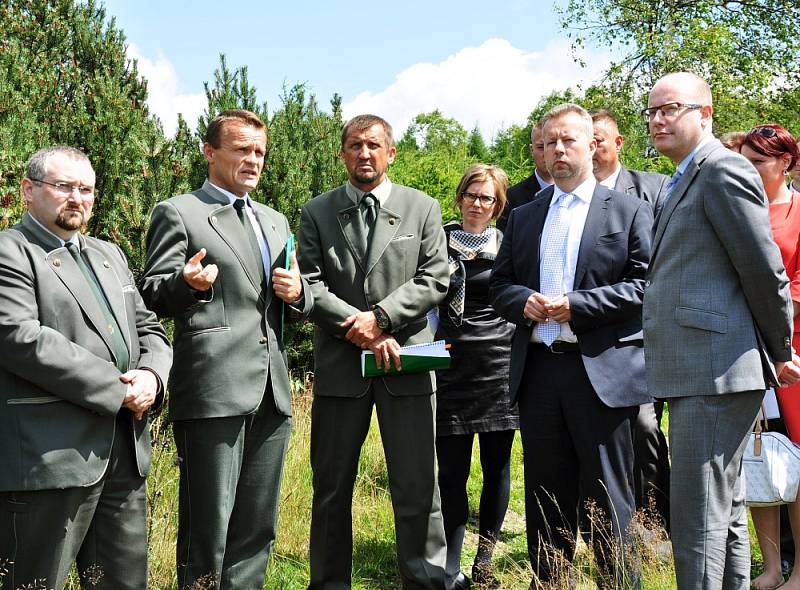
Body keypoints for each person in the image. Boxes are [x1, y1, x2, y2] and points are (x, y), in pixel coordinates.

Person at [140, 109, 311, 590]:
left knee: (257, 528)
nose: (253, 160)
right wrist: (187, 284)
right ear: (209, 152)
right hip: (213, 387)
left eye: (259, 152)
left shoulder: (275, 221)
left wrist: (299, 293)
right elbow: (152, 290)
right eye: (241, 150)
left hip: (273, 389)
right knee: (207, 530)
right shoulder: (179, 212)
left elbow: (290, 298)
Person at [642, 72, 800, 589]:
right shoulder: (683, 175)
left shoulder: (722, 169)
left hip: (714, 371)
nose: (658, 119)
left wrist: (779, 349)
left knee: (697, 521)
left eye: (671, 109)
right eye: (652, 111)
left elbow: (763, 268)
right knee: (725, 512)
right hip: (699, 370)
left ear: (704, 114)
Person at [490, 103, 653, 589]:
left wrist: (577, 306)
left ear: (592, 145)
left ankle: (618, 585)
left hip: (601, 372)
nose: (558, 151)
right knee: (546, 498)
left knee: (608, 499)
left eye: (569, 141)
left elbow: (646, 286)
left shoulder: (628, 210)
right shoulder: (524, 216)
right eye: (549, 142)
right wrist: (526, 301)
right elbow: (500, 286)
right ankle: (551, 583)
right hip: (540, 373)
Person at [0, 146, 172, 590]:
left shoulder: (108, 254)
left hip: (124, 454)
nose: (76, 198)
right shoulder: (10, 251)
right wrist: (119, 389)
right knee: (35, 583)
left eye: (86, 189)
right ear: (28, 191)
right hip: (51, 457)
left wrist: (152, 376)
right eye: (63, 187)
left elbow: (148, 326)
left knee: (122, 582)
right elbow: (21, 338)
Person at [298, 114, 449, 590]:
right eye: (355, 145)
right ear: (343, 153)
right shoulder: (317, 212)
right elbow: (309, 283)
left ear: (391, 153)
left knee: (418, 487)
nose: (365, 153)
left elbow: (435, 278)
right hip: (342, 369)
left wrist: (381, 319)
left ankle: (424, 581)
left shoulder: (421, 208)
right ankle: (328, 584)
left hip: (406, 364)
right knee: (331, 490)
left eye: (374, 145)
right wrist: (357, 327)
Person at [434, 164, 517, 589]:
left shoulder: (509, 245)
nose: (477, 204)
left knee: (496, 466)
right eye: (471, 194)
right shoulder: (438, 239)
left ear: (498, 205)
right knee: (451, 470)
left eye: (487, 198)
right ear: (460, 196)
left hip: (500, 365)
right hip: (449, 362)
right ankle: (450, 564)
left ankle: (485, 559)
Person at [590, 108, 671, 531]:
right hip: (587, 339)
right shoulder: (568, 197)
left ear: (618, 143)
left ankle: (656, 520)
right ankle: (601, 521)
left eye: (599, 139)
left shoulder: (654, 189)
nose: (592, 147)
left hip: (647, 333)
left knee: (644, 428)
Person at [740, 124, 800, 590]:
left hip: (791, 354)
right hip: (744, 353)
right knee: (761, 456)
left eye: (758, 162)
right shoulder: (742, 210)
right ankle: (772, 567)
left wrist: (771, 336)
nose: (749, 170)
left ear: (785, 163)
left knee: (796, 459)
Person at [496, 121, 552, 231]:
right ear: (531, 150)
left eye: (551, 144)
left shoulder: (575, 194)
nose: (546, 152)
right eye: (541, 147)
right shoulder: (511, 197)